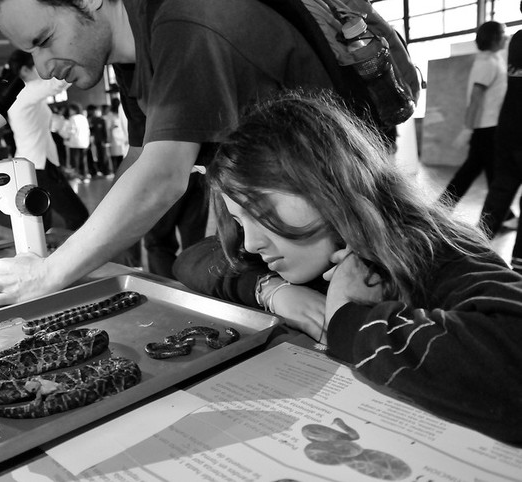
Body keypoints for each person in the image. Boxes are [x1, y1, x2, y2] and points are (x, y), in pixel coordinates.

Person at [174, 90, 522, 444]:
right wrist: (273, 291)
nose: (250, 243)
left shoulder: (435, 248)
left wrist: (347, 317)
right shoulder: (297, 251)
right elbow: (192, 260)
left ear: (325, 183)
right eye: (239, 220)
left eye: (261, 211)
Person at [0, 0, 345, 308]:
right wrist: (87, 248)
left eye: (44, 40)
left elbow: (162, 175)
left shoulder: (185, 20)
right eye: (30, 51)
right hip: (283, 248)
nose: (42, 68)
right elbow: (139, 159)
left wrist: (47, 274)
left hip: (335, 227)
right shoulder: (133, 55)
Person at [3, 49, 90, 231]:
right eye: (37, 66)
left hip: (38, 163)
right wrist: (75, 61)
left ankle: (49, 258)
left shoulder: (27, 95)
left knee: (41, 223)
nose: (41, 71)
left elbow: (46, 120)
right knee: (77, 216)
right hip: (37, 166)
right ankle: (73, 257)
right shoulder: (24, 91)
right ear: (25, 70)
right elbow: (55, 86)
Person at [438, 21, 508, 206]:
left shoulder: (492, 60)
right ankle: (499, 216)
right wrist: (467, 129)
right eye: (504, 33)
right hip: (487, 129)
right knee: (490, 174)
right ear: (495, 38)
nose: (506, 37)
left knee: (476, 171)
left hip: (488, 128)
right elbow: (476, 97)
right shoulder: (487, 63)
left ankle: (441, 207)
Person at [479, 2, 522, 275]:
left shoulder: (518, 39)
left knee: (499, 191)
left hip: (509, 126)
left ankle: (475, 247)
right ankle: (519, 265)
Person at [61, 102, 92, 181]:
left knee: (75, 161)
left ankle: (76, 176)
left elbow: (72, 130)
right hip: (84, 142)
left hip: (75, 143)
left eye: (70, 110)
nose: (69, 111)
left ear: (74, 110)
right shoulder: (83, 117)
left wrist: (66, 136)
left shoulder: (73, 118)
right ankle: (85, 176)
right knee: (83, 160)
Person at [102, 98, 128, 172]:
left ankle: (117, 171)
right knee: (120, 156)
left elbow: (108, 127)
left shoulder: (110, 114)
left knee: (116, 157)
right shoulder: (122, 112)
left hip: (115, 137)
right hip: (121, 136)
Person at [86, 104, 111, 175]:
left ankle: (106, 171)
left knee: (103, 156)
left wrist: (105, 140)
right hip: (91, 142)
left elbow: (104, 131)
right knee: (95, 157)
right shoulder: (88, 120)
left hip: (100, 141)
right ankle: (96, 171)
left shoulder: (100, 120)